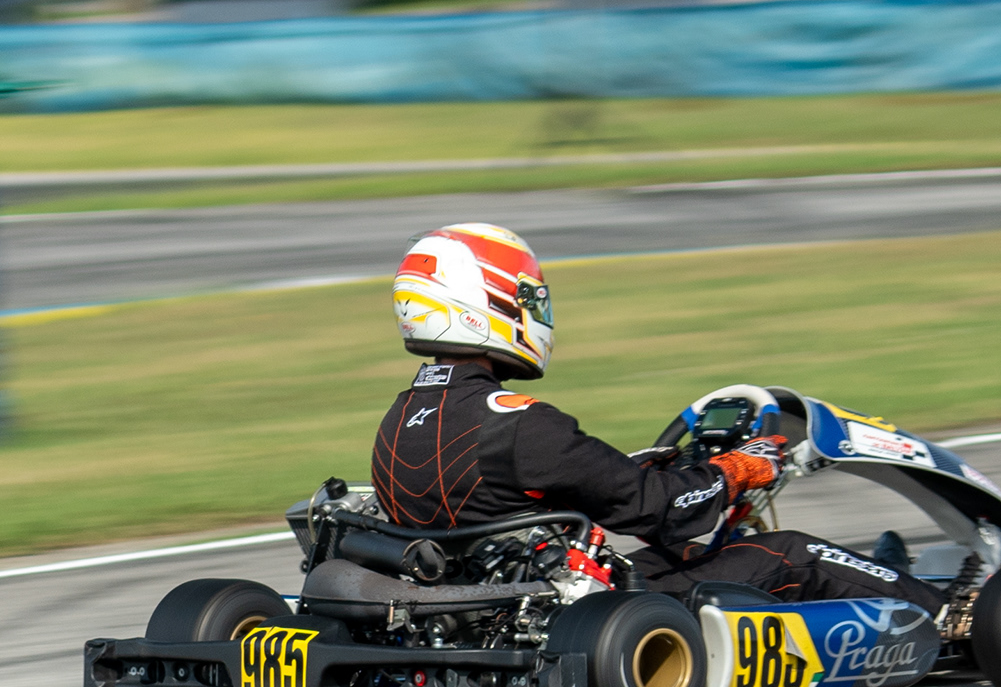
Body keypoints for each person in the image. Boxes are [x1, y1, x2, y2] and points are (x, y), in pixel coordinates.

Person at [369, 222, 928, 606]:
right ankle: (952, 613)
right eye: (529, 298)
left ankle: (884, 581)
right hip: (568, 613)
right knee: (790, 553)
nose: (537, 310)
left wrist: (639, 470)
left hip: (475, 608)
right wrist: (737, 469)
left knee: (690, 549)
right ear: (487, 303)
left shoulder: (397, 421)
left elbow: (520, 496)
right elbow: (655, 508)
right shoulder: (520, 423)